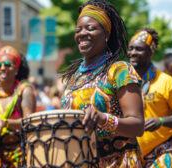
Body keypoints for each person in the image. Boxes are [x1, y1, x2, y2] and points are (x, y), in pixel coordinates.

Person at [61, 0, 144, 167]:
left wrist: (103, 119)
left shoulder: (120, 70)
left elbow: (137, 125)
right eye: (78, 30)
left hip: (120, 161)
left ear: (106, 34)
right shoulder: (73, 77)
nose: (82, 33)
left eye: (90, 28)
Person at [128, 28, 172, 167]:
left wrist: (161, 121)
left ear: (151, 52)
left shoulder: (166, 82)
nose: (133, 53)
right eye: (130, 48)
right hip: (131, 154)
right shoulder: (123, 83)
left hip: (161, 150)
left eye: (139, 49)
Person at [0, 45, 36, 168]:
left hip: (20, 154)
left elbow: (30, 122)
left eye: (8, 65)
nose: (2, 68)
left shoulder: (25, 90)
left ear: (17, 69)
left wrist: (7, 123)